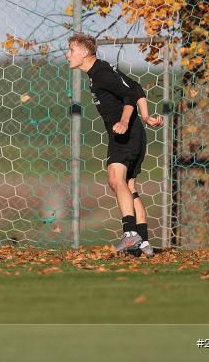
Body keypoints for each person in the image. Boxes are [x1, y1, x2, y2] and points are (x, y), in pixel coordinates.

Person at [66, 33, 163, 256]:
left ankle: (130, 235)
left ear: (84, 53)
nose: (68, 54)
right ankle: (144, 243)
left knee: (114, 178)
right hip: (132, 133)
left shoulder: (100, 74)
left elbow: (129, 96)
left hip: (126, 134)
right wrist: (146, 116)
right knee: (128, 187)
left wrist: (124, 121)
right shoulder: (100, 70)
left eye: (71, 50)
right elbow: (136, 87)